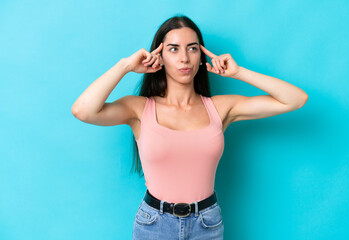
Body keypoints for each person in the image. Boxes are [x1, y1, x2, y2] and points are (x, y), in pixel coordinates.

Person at [71, 15, 308, 240]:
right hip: (154, 225)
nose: (184, 58)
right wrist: (124, 66)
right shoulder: (139, 109)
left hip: (207, 224)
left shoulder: (220, 108)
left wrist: (238, 72)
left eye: (192, 48)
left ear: (200, 55)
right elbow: (83, 110)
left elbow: (295, 99)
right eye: (173, 49)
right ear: (159, 56)